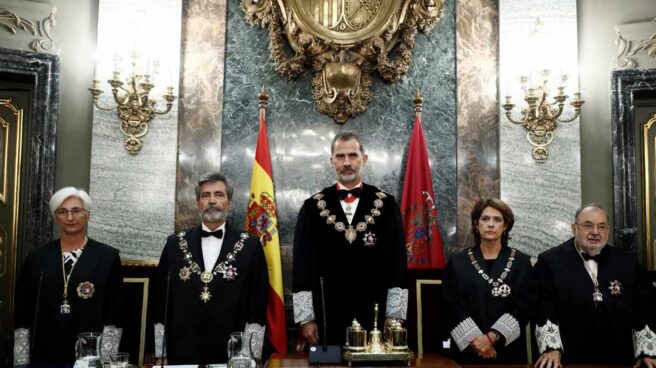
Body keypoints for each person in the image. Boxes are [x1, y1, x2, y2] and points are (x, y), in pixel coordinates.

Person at [293, 132, 408, 349]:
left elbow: (397, 264)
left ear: (364, 159)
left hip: (375, 314)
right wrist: (306, 318)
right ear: (331, 161)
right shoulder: (312, 207)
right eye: (340, 156)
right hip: (326, 315)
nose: (347, 163)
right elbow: (301, 266)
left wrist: (394, 315)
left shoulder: (386, 205)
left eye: (353, 155)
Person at [153, 172, 268, 365]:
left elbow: (257, 301)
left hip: (233, 350)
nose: (212, 201)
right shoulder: (174, 244)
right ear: (198, 203)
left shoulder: (250, 245)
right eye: (205, 195)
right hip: (182, 348)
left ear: (229, 203)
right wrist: (160, 352)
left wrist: (252, 354)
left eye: (219, 195)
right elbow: (161, 299)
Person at [534, 204, 656, 367]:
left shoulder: (628, 263)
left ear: (608, 231)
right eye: (588, 225)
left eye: (601, 226)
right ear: (574, 228)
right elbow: (544, 307)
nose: (595, 232)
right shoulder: (550, 262)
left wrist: (647, 352)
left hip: (619, 356)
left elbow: (645, 307)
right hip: (569, 357)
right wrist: (551, 348)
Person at [13, 187, 123, 367]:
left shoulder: (107, 257)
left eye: (76, 211)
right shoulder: (37, 258)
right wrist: (21, 361)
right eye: (62, 212)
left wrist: (107, 361)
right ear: (56, 217)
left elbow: (115, 313)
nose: (70, 217)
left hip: (89, 356)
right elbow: (22, 312)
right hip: (44, 354)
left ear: (88, 215)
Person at [442, 198, 535, 364]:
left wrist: (492, 338)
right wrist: (476, 340)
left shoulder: (522, 262)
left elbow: (525, 306)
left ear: (505, 226)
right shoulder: (457, 262)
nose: (491, 224)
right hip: (468, 351)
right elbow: (450, 304)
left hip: (508, 351)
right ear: (476, 224)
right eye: (485, 219)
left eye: (497, 220)